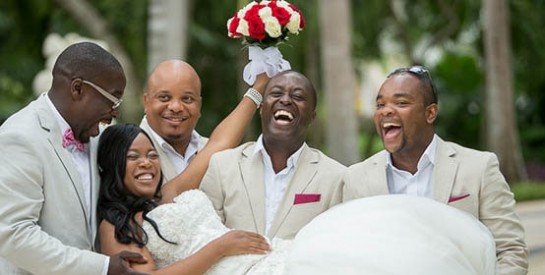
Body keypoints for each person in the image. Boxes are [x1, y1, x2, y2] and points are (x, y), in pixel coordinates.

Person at [342, 65, 528, 274]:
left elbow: (510, 250)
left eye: (401, 102)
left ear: (430, 113)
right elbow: (350, 257)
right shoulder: (356, 178)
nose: (386, 110)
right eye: (380, 104)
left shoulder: (479, 168)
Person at [97, 72, 283, 273]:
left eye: (152, 155)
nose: (146, 163)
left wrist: (259, 87)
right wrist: (220, 247)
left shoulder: (168, 193)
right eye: (133, 157)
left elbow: (219, 144)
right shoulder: (115, 225)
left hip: (259, 260)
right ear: (113, 166)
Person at [0, 42, 146, 274]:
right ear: (78, 88)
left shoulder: (98, 139)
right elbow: (13, 235)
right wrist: (102, 267)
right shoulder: (20, 136)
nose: (115, 111)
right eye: (113, 99)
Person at [200, 70, 346, 240]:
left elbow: (335, 244)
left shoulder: (336, 177)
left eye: (298, 97)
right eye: (276, 93)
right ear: (262, 108)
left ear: (312, 116)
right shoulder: (222, 165)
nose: (285, 100)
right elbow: (203, 236)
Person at [139, 60, 207, 182]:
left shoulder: (216, 154)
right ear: (146, 102)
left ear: (199, 106)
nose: (176, 107)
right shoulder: (124, 151)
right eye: (164, 97)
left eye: (187, 99)